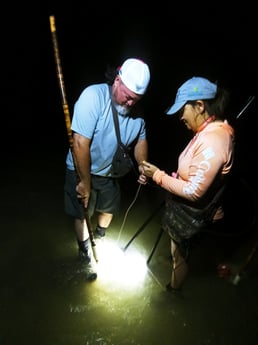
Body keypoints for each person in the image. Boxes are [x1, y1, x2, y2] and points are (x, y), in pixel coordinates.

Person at [141, 76, 235, 293]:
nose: (180, 116)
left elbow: (194, 192)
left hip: (195, 214)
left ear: (199, 106)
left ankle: (172, 294)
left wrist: (159, 176)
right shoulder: (209, 130)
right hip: (190, 210)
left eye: (183, 109)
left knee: (180, 256)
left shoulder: (213, 140)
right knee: (183, 253)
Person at [64, 58, 150, 281]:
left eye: (136, 99)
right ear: (117, 80)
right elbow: (80, 142)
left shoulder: (137, 111)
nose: (130, 103)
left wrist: (142, 164)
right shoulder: (94, 96)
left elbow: (141, 140)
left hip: (110, 172)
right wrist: (84, 182)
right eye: (128, 96)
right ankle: (84, 249)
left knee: (109, 207)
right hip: (82, 168)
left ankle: (100, 237)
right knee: (82, 211)